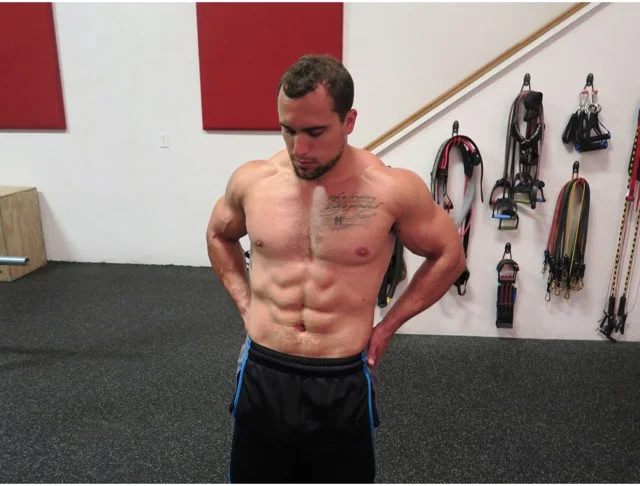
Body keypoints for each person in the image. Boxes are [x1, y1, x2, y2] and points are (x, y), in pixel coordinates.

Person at [206, 53, 466, 483]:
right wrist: (246, 305)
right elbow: (219, 235)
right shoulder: (255, 181)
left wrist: (387, 328)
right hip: (264, 366)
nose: (299, 150)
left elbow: (449, 256)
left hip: (340, 374)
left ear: (349, 121)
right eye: (288, 130)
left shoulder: (390, 189)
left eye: (314, 132)